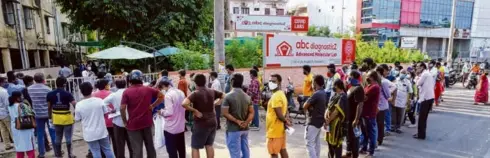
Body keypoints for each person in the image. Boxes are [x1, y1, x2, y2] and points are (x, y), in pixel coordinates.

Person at [121, 70, 164, 158]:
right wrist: (153, 105)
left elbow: (122, 108)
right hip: (147, 122)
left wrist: (125, 122)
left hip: (133, 125)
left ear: (130, 79)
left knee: (137, 150)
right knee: (150, 147)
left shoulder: (126, 92)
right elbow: (162, 96)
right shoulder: (148, 89)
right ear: (141, 78)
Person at [182, 74, 225, 158]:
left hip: (201, 123)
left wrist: (195, 111)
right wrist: (217, 103)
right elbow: (224, 95)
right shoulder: (212, 91)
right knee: (209, 145)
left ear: (195, 83)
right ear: (205, 81)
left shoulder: (195, 93)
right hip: (212, 121)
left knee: (195, 147)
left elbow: (184, 103)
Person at [75, 82, 115, 158]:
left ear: (81, 91)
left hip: (89, 133)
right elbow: (106, 112)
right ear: (92, 89)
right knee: (107, 149)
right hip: (102, 131)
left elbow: (77, 118)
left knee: (95, 151)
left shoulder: (79, 105)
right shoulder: (99, 101)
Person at [222, 73, 254, 158]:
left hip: (233, 129)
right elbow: (251, 112)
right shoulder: (247, 97)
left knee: (235, 154)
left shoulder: (228, 96)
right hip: (245, 129)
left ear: (232, 81)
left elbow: (224, 113)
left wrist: (237, 121)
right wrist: (246, 122)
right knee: (245, 152)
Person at [46, 77, 77, 158]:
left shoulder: (50, 94)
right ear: (64, 84)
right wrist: (75, 114)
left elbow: (49, 107)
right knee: (68, 137)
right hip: (67, 118)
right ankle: (70, 154)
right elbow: (74, 104)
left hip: (56, 118)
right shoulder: (68, 93)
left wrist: (50, 118)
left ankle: (58, 154)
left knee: (58, 137)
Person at [103, 79, 134, 158]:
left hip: (118, 121)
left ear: (116, 85)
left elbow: (103, 103)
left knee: (119, 145)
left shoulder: (114, 95)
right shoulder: (130, 92)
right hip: (130, 120)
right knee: (132, 145)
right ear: (126, 84)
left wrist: (111, 110)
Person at [27, 73, 55, 158]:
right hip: (48, 114)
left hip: (37, 114)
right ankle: (57, 151)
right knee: (52, 132)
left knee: (40, 134)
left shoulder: (29, 89)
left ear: (34, 80)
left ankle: (41, 153)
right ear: (43, 79)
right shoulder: (48, 89)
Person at [158, 77, 186, 158]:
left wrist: (161, 111)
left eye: (161, 87)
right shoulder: (181, 92)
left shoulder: (168, 95)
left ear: (163, 85)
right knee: (181, 149)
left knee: (172, 151)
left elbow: (169, 112)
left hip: (171, 129)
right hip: (180, 127)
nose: (162, 89)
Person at [265, 74, 291, 158]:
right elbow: (285, 109)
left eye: (273, 81)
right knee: (282, 150)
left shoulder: (276, 96)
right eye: (270, 81)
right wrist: (286, 119)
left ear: (279, 82)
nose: (271, 83)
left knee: (273, 153)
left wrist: (286, 121)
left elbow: (279, 114)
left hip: (274, 130)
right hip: (280, 130)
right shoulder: (281, 93)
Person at [302, 75, 326, 158]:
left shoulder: (316, 94)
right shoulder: (324, 92)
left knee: (309, 143)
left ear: (315, 83)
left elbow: (305, 106)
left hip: (313, 121)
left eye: (312, 82)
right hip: (319, 122)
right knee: (316, 143)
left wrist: (309, 106)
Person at [8, 91, 36, 158]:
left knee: (19, 147)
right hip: (25, 126)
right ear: (18, 98)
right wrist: (28, 104)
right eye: (21, 96)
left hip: (15, 127)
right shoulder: (22, 105)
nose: (22, 97)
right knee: (29, 146)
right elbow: (32, 113)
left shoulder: (10, 106)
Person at [92, 79, 117, 156]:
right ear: (106, 85)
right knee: (115, 141)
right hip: (111, 120)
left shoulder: (93, 95)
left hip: (100, 122)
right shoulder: (111, 94)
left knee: (104, 144)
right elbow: (114, 108)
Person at [359, 71, 381, 157]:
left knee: (371, 132)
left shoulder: (375, 87)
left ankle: (371, 151)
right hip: (365, 112)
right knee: (365, 132)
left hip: (370, 113)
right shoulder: (368, 86)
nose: (366, 78)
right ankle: (364, 148)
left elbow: (363, 97)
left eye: (368, 77)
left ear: (373, 77)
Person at [413, 62, 435, 140]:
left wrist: (416, 76)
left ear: (422, 67)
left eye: (418, 67)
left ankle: (421, 135)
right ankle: (421, 133)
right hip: (428, 97)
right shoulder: (427, 74)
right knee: (423, 117)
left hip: (426, 98)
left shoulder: (425, 74)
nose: (417, 68)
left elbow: (418, 83)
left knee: (422, 117)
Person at [345, 71, 364, 158]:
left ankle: (355, 155)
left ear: (353, 76)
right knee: (349, 136)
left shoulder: (358, 88)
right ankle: (349, 152)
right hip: (348, 117)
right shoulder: (351, 87)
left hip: (354, 118)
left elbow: (360, 104)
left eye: (349, 76)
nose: (348, 78)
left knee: (354, 138)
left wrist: (356, 119)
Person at [376, 64, 391, 145]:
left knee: (380, 123)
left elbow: (388, 94)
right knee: (376, 123)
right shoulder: (376, 81)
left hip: (381, 106)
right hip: (375, 105)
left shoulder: (384, 82)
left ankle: (379, 139)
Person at [0, 77, 13, 151]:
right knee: (11, 129)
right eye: (5, 82)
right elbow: (7, 103)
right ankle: (17, 144)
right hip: (5, 113)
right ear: (1, 82)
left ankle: (7, 145)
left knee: (3, 129)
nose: (6, 83)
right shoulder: (3, 91)